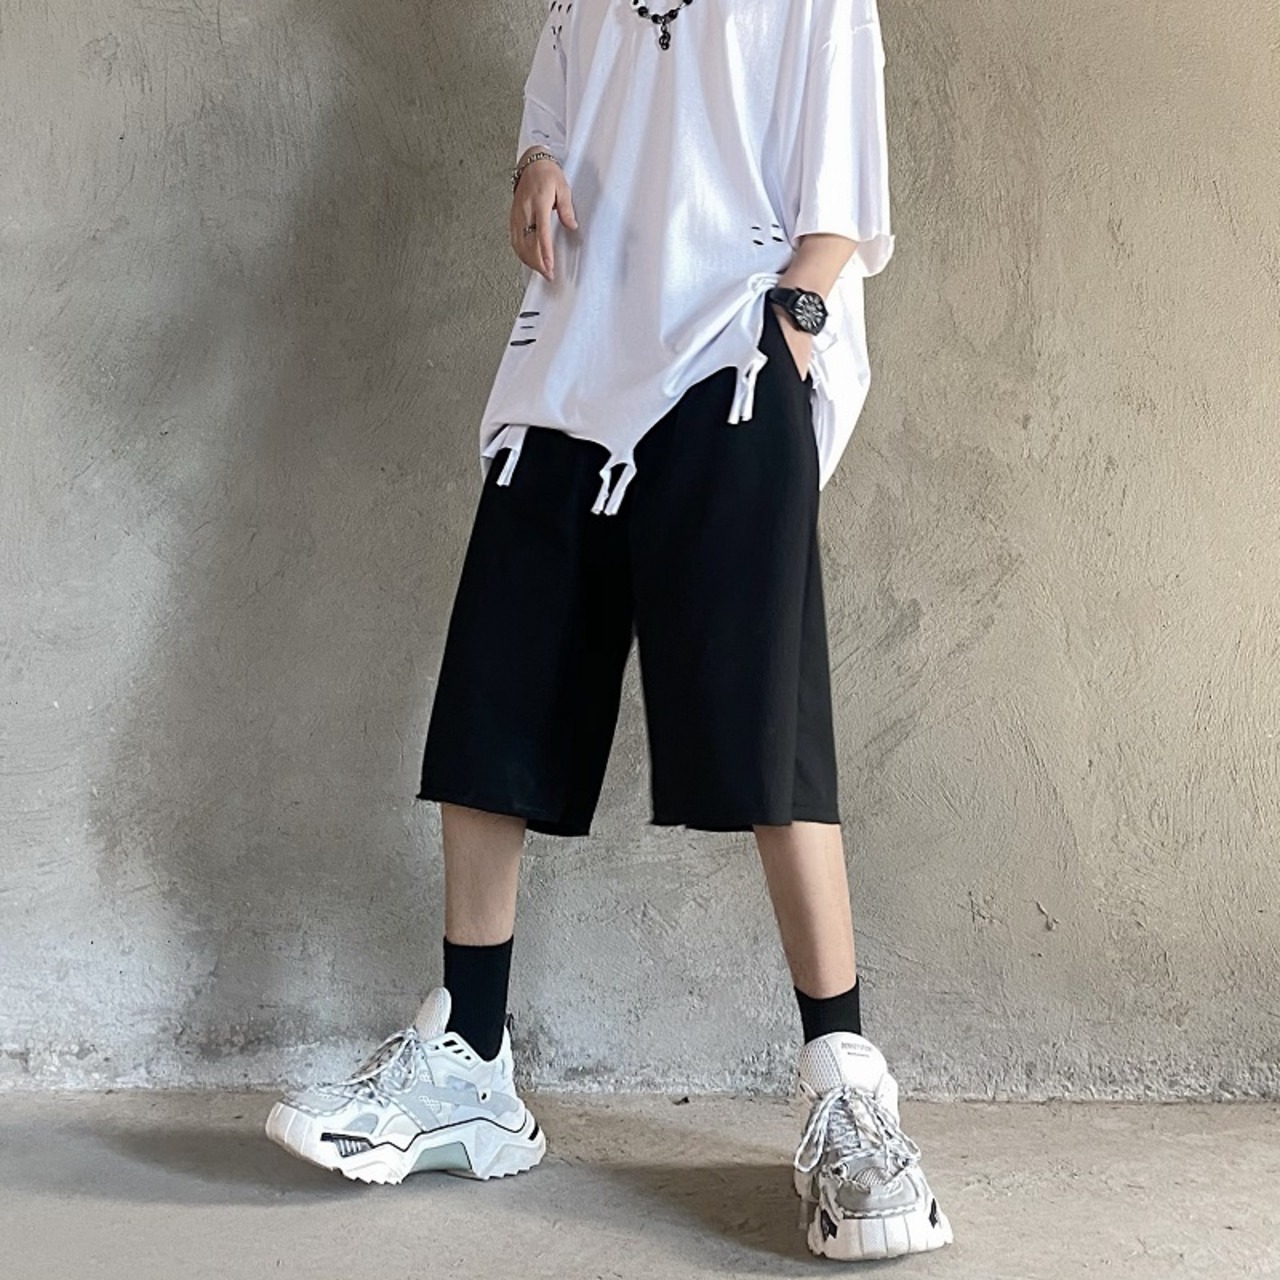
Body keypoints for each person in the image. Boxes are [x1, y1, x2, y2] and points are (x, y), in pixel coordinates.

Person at [266, 0, 953, 1262]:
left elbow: (842, 199)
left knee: (765, 722)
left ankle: (848, 1089)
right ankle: (470, 1058)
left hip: (733, 353)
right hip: (573, 358)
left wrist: (791, 326)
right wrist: (534, 166)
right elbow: (553, 117)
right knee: (499, 688)